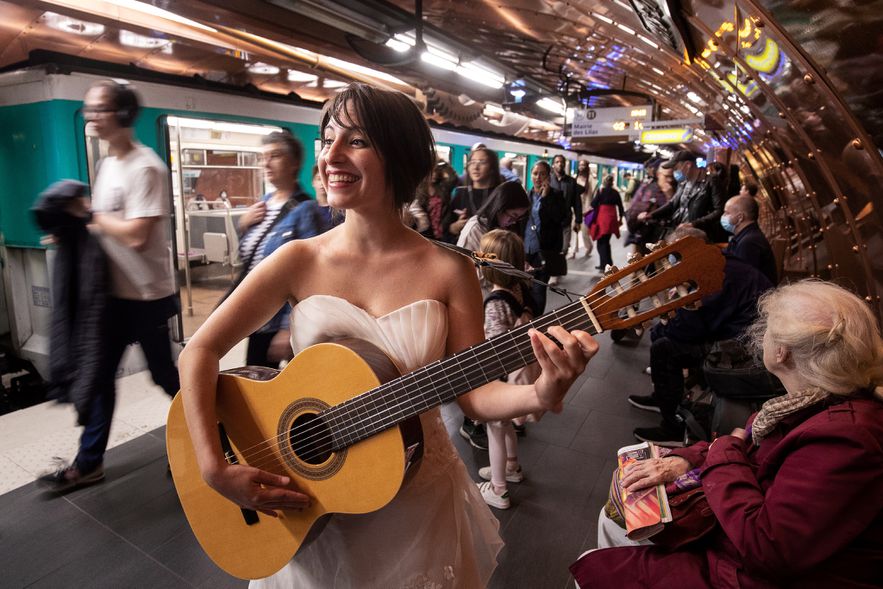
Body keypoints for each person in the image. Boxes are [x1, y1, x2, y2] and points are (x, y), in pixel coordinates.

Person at [178, 83, 598, 588]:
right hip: (311, 500)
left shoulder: (450, 270)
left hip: (413, 502)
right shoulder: (298, 260)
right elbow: (199, 350)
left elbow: (474, 393)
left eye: (354, 141)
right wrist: (213, 468)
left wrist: (539, 392)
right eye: (327, 138)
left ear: (398, 156)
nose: (330, 155)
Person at [572, 280, 883, 589]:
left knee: (596, 566)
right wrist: (685, 458)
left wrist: (721, 448)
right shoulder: (817, 403)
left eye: (767, 328)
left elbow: (768, 548)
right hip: (742, 547)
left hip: (747, 572)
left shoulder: (847, 440)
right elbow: (747, 448)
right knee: (618, 516)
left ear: (781, 352)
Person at [39, 80, 180, 492]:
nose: (90, 117)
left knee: (163, 376)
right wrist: (74, 236)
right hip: (113, 299)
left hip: (148, 297)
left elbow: (137, 235)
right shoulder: (107, 166)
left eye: (98, 109)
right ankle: (89, 463)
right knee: (98, 376)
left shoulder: (147, 167)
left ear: (121, 114)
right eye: (88, 110)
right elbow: (102, 227)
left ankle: (212, 431)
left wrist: (90, 218)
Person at [628, 227, 773, 445]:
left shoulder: (716, 278)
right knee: (663, 337)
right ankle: (663, 396)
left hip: (745, 348)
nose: (672, 263)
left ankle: (671, 428)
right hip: (743, 334)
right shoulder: (721, 262)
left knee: (665, 347)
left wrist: (660, 328)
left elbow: (690, 329)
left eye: (674, 256)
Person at [236, 131, 329, 368]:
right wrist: (243, 225)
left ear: (294, 163)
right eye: (263, 157)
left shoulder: (305, 209)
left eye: (274, 156)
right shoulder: (263, 203)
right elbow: (249, 256)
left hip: (278, 319)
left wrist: (288, 328)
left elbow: (310, 275)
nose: (265, 163)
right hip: (257, 316)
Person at [456, 181, 531, 451]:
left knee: (490, 365)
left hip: (496, 297)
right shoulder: (474, 229)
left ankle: (497, 415)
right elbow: (465, 273)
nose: (513, 222)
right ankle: (473, 421)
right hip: (479, 303)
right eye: (510, 216)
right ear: (499, 207)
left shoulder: (501, 228)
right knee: (479, 364)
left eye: (518, 218)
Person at [474, 229, 538, 510]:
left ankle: (499, 489)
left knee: (495, 428)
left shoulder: (495, 302)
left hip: (501, 378)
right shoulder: (519, 289)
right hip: (519, 375)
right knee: (508, 424)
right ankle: (512, 467)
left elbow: (496, 348)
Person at [640, 150, 725, 243]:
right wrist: (651, 215)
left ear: (688, 165)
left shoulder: (711, 181)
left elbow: (719, 210)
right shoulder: (683, 183)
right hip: (681, 231)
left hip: (700, 234)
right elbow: (672, 204)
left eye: (676, 168)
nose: (674, 172)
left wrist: (693, 224)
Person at [523, 160, 568, 314]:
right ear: (530, 176)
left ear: (549, 176)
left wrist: (547, 198)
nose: (538, 177)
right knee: (524, 288)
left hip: (544, 250)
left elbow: (560, 218)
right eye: (535, 173)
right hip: (526, 249)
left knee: (539, 289)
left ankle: (536, 321)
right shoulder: (525, 195)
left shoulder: (556, 195)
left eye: (542, 174)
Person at [447, 147, 503, 237]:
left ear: (492, 168)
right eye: (472, 162)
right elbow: (447, 228)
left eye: (482, 162)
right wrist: (454, 227)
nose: (475, 167)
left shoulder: (501, 194)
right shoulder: (460, 193)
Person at [721, 195, 777, 284]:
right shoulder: (746, 236)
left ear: (740, 217)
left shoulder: (749, 242)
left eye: (727, 213)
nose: (723, 216)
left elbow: (740, 279)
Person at [624, 158, 667, 254]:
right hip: (641, 230)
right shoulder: (648, 184)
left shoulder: (657, 187)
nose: (648, 171)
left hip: (650, 231)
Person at [409, 160, 457, 242]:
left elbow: (453, 178)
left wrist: (444, 164)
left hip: (444, 233)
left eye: (436, 171)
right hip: (426, 233)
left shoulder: (443, 188)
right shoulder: (418, 190)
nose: (434, 174)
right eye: (430, 172)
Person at [549, 155, 582, 266]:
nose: (560, 164)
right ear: (553, 164)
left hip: (565, 220)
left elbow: (577, 202)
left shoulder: (571, 182)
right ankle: (554, 271)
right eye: (557, 162)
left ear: (565, 164)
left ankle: (558, 268)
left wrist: (578, 220)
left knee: (563, 247)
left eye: (562, 162)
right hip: (550, 221)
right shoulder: (548, 180)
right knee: (552, 247)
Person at [588, 175, 625, 271]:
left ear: (604, 182)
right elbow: (621, 207)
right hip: (612, 219)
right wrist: (620, 219)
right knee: (606, 242)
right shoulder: (616, 192)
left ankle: (605, 265)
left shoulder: (601, 191)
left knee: (601, 243)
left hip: (602, 219)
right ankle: (607, 263)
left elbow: (593, 204)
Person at [573, 160, 595, 258]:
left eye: (583, 165)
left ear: (587, 167)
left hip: (586, 211)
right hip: (575, 209)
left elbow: (592, 196)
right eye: (580, 165)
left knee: (585, 232)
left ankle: (589, 247)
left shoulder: (590, 179)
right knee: (574, 230)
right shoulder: (575, 178)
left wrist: (587, 209)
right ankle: (573, 250)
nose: (581, 167)